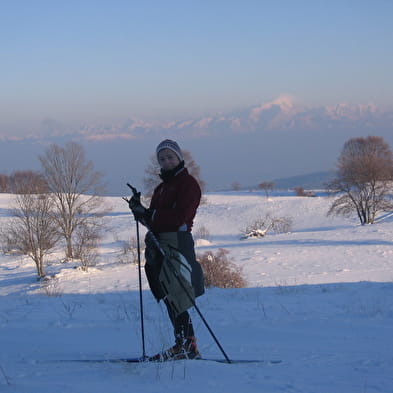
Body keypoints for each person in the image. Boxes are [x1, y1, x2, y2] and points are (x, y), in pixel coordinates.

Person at [128, 139, 205, 360]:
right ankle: (183, 343)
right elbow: (154, 221)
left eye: (170, 157)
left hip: (177, 242)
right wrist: (139, 211)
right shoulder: (161, 188)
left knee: (177, 291)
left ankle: (187, 345)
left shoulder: (188, 184)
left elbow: (181, 217)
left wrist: (150, 215)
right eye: (162, 158)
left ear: (180, 158)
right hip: (160, 242)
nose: (167, 161)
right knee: (169, 293)